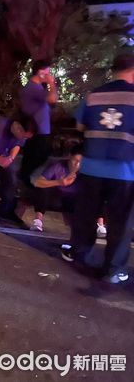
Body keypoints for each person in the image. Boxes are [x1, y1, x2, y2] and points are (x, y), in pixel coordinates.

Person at [62, 53, 134, 284]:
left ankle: (81, 255)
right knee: (120, 222)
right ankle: (113, 269)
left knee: (86, 215)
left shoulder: (94, 96)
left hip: (91, 168)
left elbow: (80, 126)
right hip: (124, 171)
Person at [31, 143, 106, 237]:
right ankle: (38, 221)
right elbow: (37, 182)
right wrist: (59, 182)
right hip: (57, 198)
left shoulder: (87, 171)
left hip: (75, 201)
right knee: (43, 188)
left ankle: (100, 224)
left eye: (81, 162)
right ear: (69, 157)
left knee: (99, 193)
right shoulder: (58, 166)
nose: (77, 165)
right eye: (75, 160)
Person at [19, 60, 58, 186]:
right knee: (39, 155)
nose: (49, 76)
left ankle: (23, 180)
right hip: (37, 130)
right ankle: (23, 179)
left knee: (33, 157)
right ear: (40, 73)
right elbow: (52, 99)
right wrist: (52, 83)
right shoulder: (33, 88)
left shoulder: (37, 88)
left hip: (40, 130)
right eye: (47, 73)